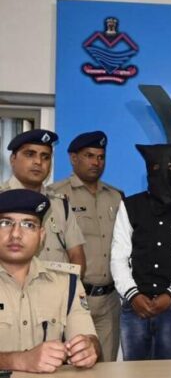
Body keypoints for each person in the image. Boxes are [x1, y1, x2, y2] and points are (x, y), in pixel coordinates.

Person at [111, 141, 171, 360]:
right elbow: (119, 256)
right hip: (135, 306)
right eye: (157, 168)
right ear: (149, 171)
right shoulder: (130, 206)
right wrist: (133, 294)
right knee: (133, 374)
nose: (164, 174)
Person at [0, 189, 99, 373]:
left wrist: (88, 348)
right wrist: (18, 361)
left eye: (28, 225)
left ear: (42, 236)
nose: (16, 234)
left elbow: (88, 337)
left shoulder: (66, 283)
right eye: (5, 223)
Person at [50, 131, 123, 362]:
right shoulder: (56, 196)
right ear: (73, 158)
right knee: (70, 366)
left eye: (101, 157)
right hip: (73, 299)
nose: (96, 162)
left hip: (109, 300)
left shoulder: (116, 197)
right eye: (89, 156)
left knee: (107, 366)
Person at [1, 129, 86, 272]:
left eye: (45, 157)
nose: (38, 162)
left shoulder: (60, 205)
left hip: (56, 285)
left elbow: (76, 256)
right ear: (13, 159)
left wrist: (71, 285)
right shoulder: (1, 199)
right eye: (30, 154)